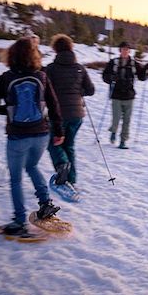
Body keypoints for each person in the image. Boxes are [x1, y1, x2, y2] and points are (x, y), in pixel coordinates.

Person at [0, 37, 65, 237]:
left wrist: (11, 111)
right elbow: (54, 105)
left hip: (18, 136)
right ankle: (46, 205)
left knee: (15, 179)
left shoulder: (5, 78)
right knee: (32, 166)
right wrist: (59, 131)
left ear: (11, 55)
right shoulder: (42, 76)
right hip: (41, 133)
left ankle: (20, 222)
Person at [45, 34, 95, 192]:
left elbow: (44, 91)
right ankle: (71, 178)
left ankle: (62, 165)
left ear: (55, 49)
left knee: (53, 143)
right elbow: (91, 90)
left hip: (58, 114)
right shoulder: (80, 68)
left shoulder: (51, 69)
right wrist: (77, 90)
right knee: (69, 145)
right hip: (77, 114)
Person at [101, 41, 148, 149]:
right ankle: (113, 132)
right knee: (116, 118)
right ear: (120, 50)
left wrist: (146, 70)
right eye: (123, 49)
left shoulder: (134, 64)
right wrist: (111, 78)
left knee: (127, 120)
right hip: (116, 95)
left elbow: (141, 77)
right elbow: (105, 76)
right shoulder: (113, 62)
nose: (125, 51)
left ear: (129, 51)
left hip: (129, 96)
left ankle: (123, 141)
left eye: (127, 49)